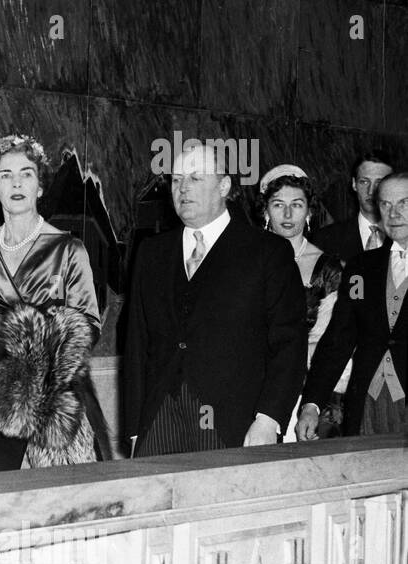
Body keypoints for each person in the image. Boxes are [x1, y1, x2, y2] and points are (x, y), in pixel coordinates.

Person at [124, 142, 306, 456]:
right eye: (177, 180)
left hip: (234, 425)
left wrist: (268, 418)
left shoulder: (267, 252)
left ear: (223, 186)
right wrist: (132, 430)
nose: (182, 188)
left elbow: (289, 342)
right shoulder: (152, 252)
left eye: (195, 179)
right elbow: (136, 343)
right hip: (159, 422)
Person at [0, 134, 107, 470]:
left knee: (60, 500)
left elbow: (89, 328)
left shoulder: (68, 249)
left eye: (26, 174)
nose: (16, 183)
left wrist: (40, 338)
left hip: (57, 392)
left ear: (40, 186)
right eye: (6, 175)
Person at [297, 171, 408, 439]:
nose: (393, 213)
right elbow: (338, 339)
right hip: (367, 407)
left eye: (404, 203)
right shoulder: (361, 267)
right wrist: (311, 404)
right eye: (385, 204)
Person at [258, 164, 343, 440]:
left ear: (308, 211)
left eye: (296, 205)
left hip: (304, 388)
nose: (286, 214)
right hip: (250, 384)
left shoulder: (326, 267)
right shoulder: (246, 262)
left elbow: (330, 339)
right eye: (277, 204)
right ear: (265, 211)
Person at [311, 153, 393, 263]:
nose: (371, 191)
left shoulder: (402, 238)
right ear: (354, 184)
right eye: (364, 182)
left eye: (380, 183)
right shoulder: (325, 239)